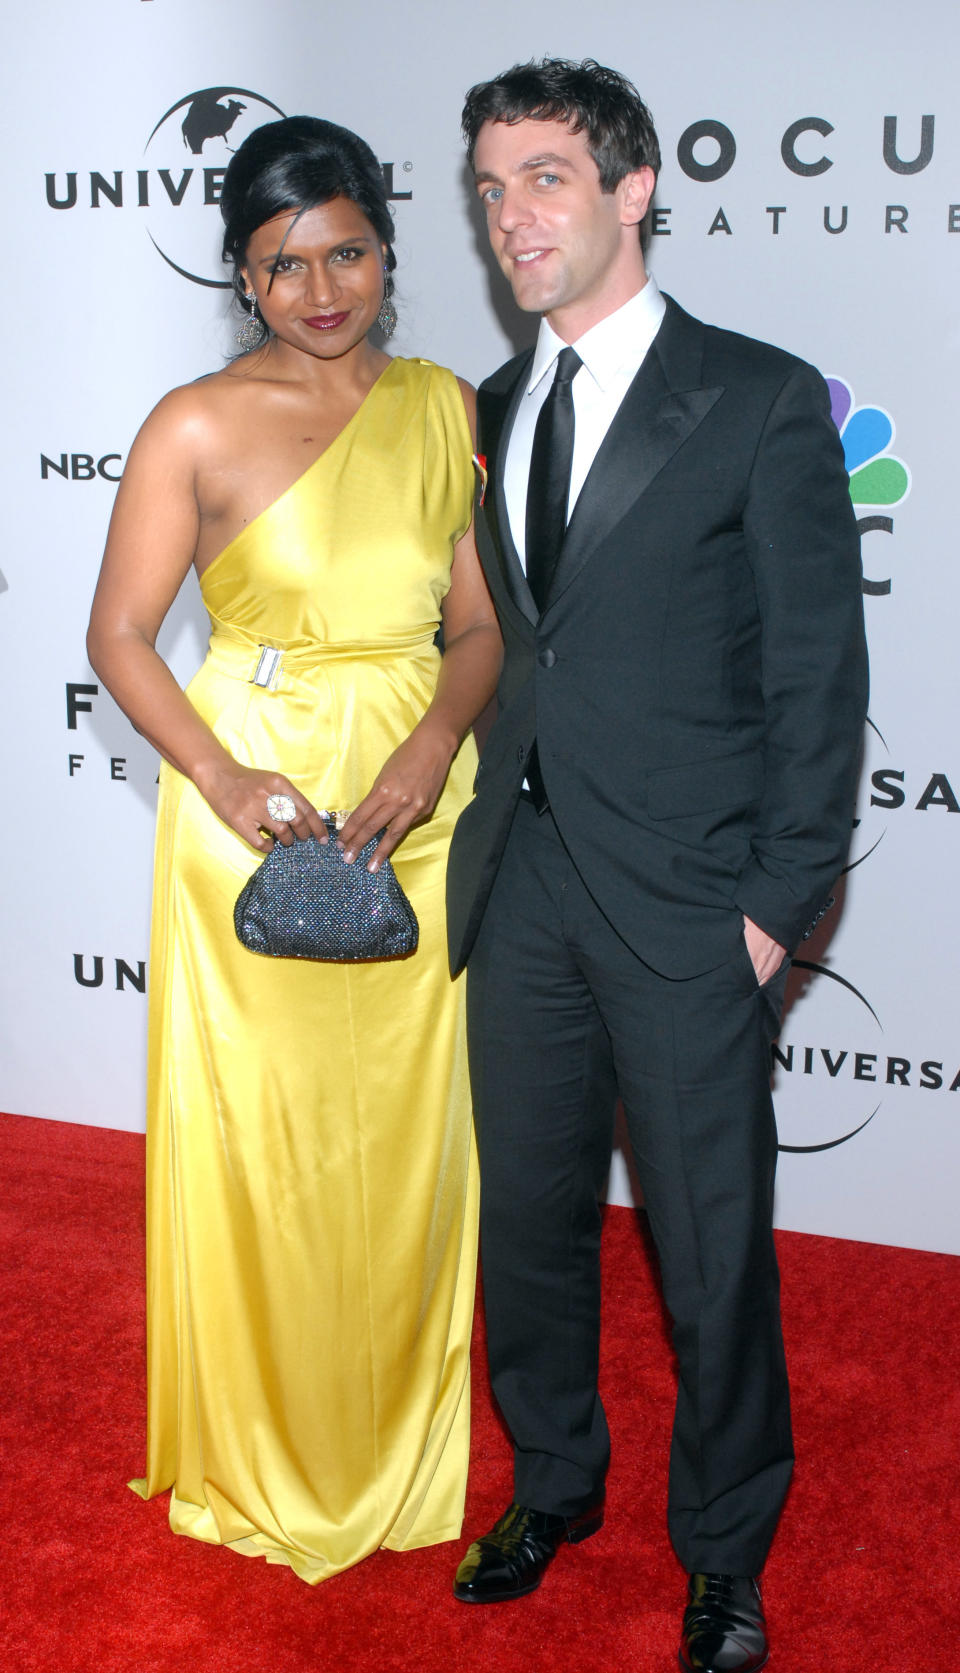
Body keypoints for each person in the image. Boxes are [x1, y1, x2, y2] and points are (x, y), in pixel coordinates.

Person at [446, 59, 868, 1670]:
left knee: (708, 1252)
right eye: (491, 189)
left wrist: (778, 909)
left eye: (545, 178)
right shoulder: (490, 409)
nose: (512, 218)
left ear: (633, 191)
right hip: (526, 884)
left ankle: (725, 1545)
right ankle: (553, 1479)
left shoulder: (758, 396)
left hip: (697, 905)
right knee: (532, 1225)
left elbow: (821, 685)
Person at [87, 115, 501, 1583]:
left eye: (346, 253)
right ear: (243, 278)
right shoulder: (192, 423)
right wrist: (220, 773)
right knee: (266, 1145)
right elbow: (120, 637)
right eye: (282, 267)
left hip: (417, 815)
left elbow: (478, 626)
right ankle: (262, 1444)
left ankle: (393, 1442)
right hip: (245, 820)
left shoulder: (450, 406)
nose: (321, 290)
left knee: (402, 1149)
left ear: (388, 249)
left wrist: (437, 738)